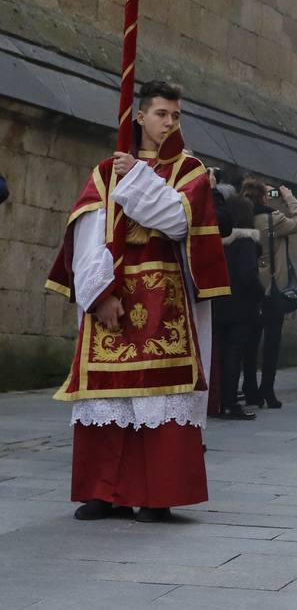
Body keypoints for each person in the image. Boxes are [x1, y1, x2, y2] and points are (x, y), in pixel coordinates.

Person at [46, 80, 229, 521]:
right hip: (115, 300)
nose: (169, 123)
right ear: (140, 117)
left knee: (160, 399)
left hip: (167, 303)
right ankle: (103, 491)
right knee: (108, 396)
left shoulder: (191, 172)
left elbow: (176, 222)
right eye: (161, 114)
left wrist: (138, 178)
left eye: (176, 116)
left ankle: (155, 494)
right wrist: (99, 296)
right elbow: (90, 236)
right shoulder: (106, 171)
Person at [239, 175, 297, 409]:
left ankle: (248, 388)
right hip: (271, 287)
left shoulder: (240, 216)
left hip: (247, 286)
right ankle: (267, 389)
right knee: (272, 341)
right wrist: (289, 198)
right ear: (265, 196)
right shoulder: (273, 218)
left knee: (249, 340)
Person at [213, 195, 263, 419]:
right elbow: (248, 276)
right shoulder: (246, 242)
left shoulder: (218, 241)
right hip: (241, 306)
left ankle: (220, 400)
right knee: (234, 355)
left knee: (222, 355)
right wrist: (261, 295)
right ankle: (230, 402)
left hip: (218, 304)